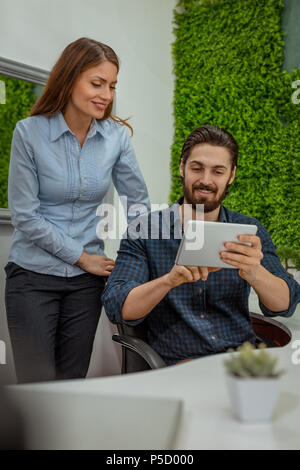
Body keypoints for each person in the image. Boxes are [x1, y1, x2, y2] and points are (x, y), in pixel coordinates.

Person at [5, 37, 150, 383]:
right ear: (70, 79)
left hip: (87, 286)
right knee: (36, 389)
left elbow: (137, 205)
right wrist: (82, 257)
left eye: (112, 86)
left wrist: (142, 260)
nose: (106, 95)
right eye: (96, 83)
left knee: (72, 384)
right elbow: (25, 214)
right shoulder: (29, 133)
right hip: (32, 278)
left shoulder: (116, 138)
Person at [102, 125, 300, 366]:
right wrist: (170, 280)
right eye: (197, 168)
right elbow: (118, 305)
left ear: (232, 175)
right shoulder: (145, 230)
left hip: (241, 361)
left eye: (218, 171)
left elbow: (285, 304)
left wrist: (255, 272)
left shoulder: (248, 231)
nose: (206, 180)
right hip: (179, 363)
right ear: (182, 167)